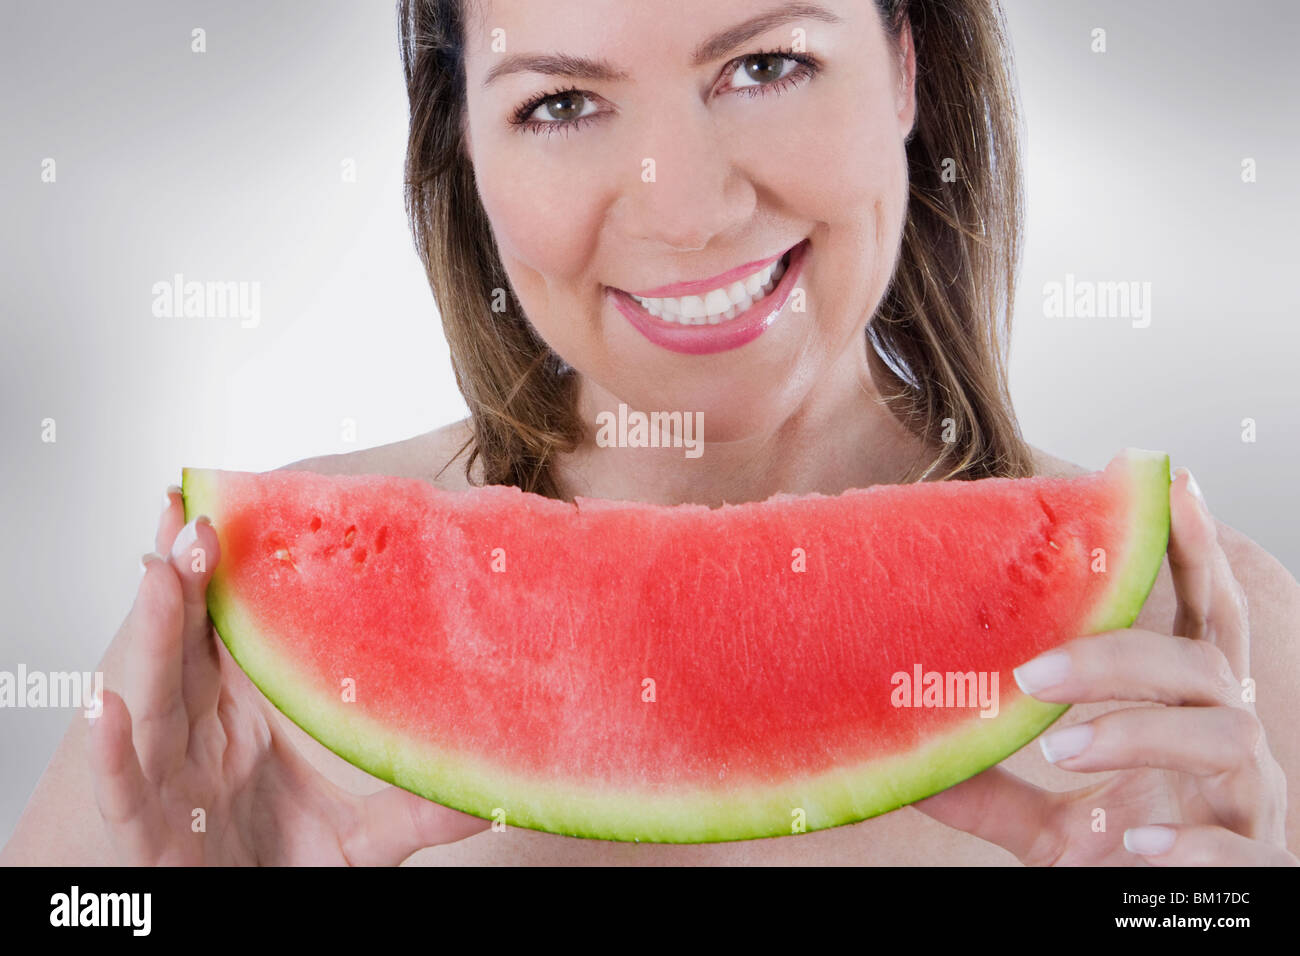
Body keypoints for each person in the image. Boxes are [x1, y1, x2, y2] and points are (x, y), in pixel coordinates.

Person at [4, 0, 1296, 866]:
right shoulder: (247, 645)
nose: (686, 210)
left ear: (904, 65)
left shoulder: (1211, 650)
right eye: (562, 103)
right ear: (466, 146)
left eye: (765, 64)